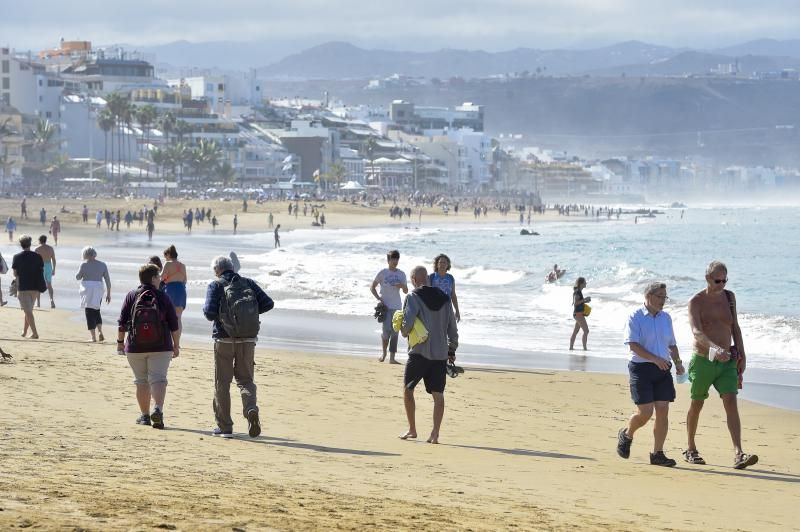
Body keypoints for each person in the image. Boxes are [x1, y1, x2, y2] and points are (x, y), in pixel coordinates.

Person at [684, 261, 758, 469]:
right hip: (704, 360)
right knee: (697, 403)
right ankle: (690, 448)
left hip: (728, 362)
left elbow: (735, 327)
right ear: (707, 278)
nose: (722, 284)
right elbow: (697, 333)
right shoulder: (695, 301)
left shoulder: (729, 297)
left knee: (731, 402)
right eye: (718, 281)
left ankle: (739, 453)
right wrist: (715, 350)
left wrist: (742, 354)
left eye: (725, 280)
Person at [202, 255, 274, 438]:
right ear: (232, 267)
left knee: (222, 383)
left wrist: (225, 317)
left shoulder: (215, 285)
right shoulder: (248, 282)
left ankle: (225, 427)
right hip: (248, 339)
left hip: (224, 340)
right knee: (246, 380)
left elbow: (209, 313)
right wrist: (247, 316)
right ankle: (251, 409)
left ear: (217, 270)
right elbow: (268, 303)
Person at [616, 282, 683, 467]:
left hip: (663, 369)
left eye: (665, 297)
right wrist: (655, 359)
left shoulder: (666, 318)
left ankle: (657, 454)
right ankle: (627, 434)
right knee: (645, 413)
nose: (663, 300)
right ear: (649, 296)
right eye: (660, 296)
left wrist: (678, 363)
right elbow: (633, 345)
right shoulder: (635, 316)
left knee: (663, 410)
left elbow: (672, 344)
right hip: (641, 368)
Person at [399, 266, 458, 444]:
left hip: (419, 352)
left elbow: (407, 325)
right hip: (440, 354)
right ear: (428, 279)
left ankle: (412, 429)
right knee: (438, 394)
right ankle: (435, 434)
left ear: (414, 280)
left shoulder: (413, 297)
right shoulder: (445, 299)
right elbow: (452, 329)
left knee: (408, 389)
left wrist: (401, 329)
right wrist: (451, 349)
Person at [117, 264, 180, 429]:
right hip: (161, 345)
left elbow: (122, 322)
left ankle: (145, 416)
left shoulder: (131, 295)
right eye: (158, 277)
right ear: (153, 278)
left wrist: (119, 343)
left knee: (141, 381)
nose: (160, 279)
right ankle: (157, 409)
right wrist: (176, 345)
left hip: (135, 346)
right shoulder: (163, 297)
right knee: (158, 379)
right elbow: (174, 324)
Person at [370, 249, 408, 364]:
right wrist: (379, 299)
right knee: (386, 332)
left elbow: (406, 291)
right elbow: (372, 287)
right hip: (385, 307)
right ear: (388, 260)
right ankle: (384, 353)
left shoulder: (401, 274)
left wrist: (401, 285)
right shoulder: (383, 273)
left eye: (397, 259)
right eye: (393, 259)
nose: (395, 261)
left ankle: (392, 358)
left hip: (397, 306)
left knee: (395, 332)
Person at [11, 235, 45, 339]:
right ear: (30, 244)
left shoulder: (17, 257)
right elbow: (41, 270)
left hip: (23, 287)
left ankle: (35, 333)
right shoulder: (38, 256)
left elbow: (15, 274)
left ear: (21, 245)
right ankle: (25, 331)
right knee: (28, 310)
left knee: (28, 311)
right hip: (35, 287)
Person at [76, 246, 111, 342]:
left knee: (89, 312)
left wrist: (82, 272)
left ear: (85, 254)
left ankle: (93, 337)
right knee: (96, 310)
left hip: (87, 288)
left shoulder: (84, 265)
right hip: (98, 289)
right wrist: (108, 293)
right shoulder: (102, 265)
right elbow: (107, 280)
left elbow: (78, 277)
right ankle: (100, 331)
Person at [161, 245, 187, 346]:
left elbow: (162, 277)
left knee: (167, 318)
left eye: (165, 256)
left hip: (170, 290)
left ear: (168, 255)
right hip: (181, 290)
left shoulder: (167, 264)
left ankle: (168, 341)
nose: (165, 258)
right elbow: (185, 280)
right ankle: (177, 343)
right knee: (178, 318)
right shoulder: (183, 265)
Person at [428, 254, 461, 322]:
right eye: (440, 262)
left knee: (453, 332)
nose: (442, 264)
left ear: (447, 265)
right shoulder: (431, 277)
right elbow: (427, 294)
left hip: (448, 308)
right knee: (437, 331)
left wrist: (457, 310)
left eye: (444, 262)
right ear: (437, 264)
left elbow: (453, 295)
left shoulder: (450, 278)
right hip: (435, 309)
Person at [35, 235, 57, 308]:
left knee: (38, 285)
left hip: (40, 267)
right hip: (48, 266)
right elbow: (53, 260)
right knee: (49, 285)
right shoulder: (50, 248)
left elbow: (34, 261)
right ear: (45, 240)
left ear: (39, 240)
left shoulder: (37, 249)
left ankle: (38, 303)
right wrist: (54, 269)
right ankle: (51, 300)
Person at [569, 277, 590, 350]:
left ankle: (571, 347)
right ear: (581, 284)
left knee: (576, 331)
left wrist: (585, 301)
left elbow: (579, 302)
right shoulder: (577, 292)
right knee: (586, 331)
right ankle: (585, 348)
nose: (586, 283)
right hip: (578, 314)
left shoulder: (578, 291)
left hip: (578, 314)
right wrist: (584, 300)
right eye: (585, 282)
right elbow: (576, 303)